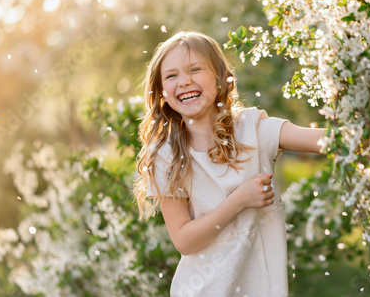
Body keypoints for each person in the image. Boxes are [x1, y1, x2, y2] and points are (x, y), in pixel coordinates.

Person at [133, 31, 326, 296]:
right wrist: (239, 200)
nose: (185, 81)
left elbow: (320, 141)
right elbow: (184, 240)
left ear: (221, 77)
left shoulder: (253, 129)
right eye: (172, 75)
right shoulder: (167, 155)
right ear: (162, 92)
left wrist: (369, 130)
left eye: (195, 69)